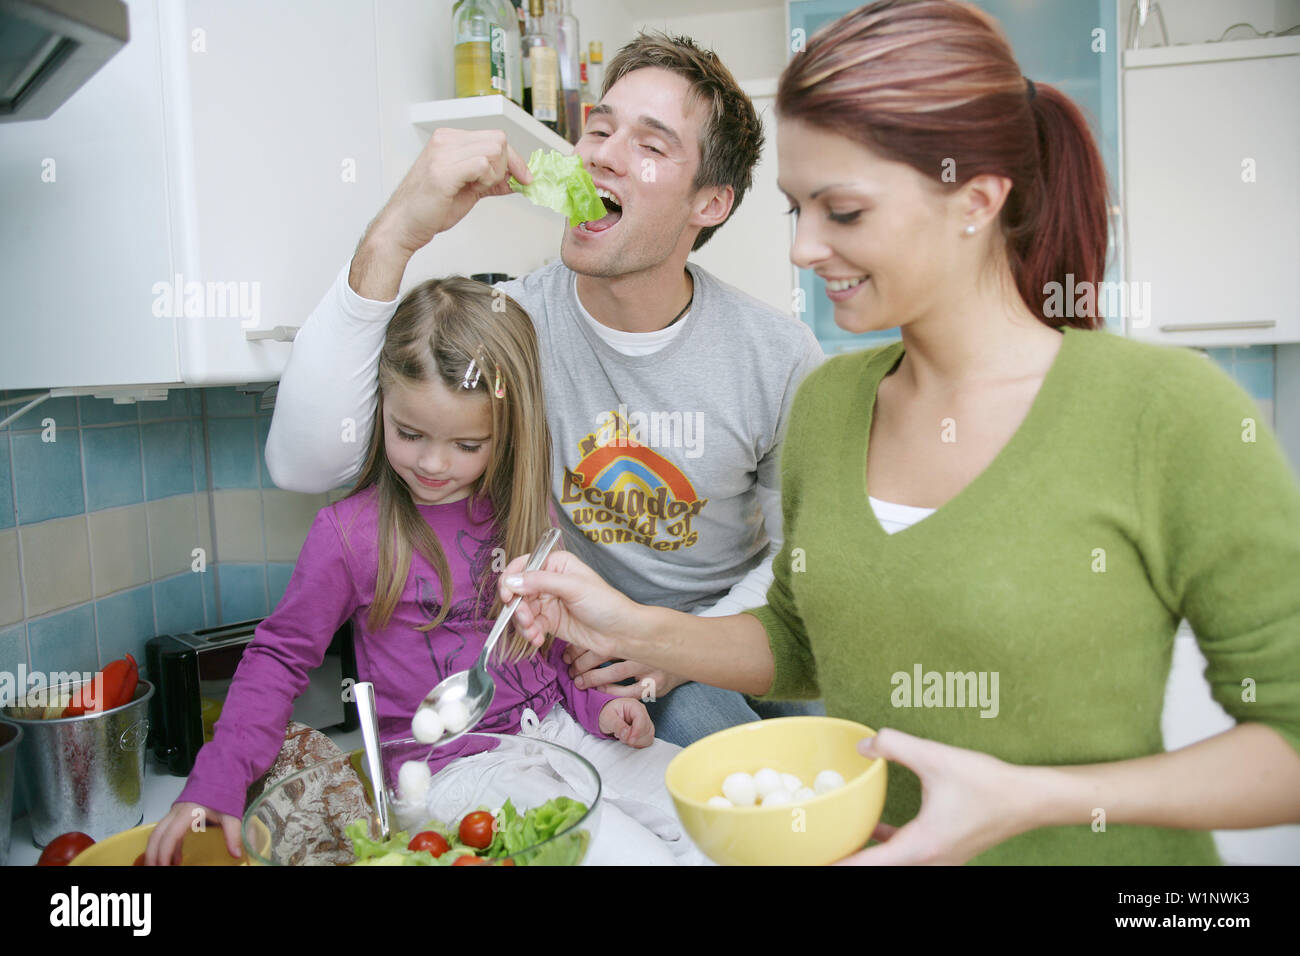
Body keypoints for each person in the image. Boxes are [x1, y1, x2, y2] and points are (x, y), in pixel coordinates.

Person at [496, 0, 1300, 865]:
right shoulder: (832, 405)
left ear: (975, 202)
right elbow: (801, 641)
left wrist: (1034, 801)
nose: (805, 249)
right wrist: (629, 626)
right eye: (797, 209)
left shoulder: (1167, 411)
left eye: (842, 211)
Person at [263, 32, 826, 747]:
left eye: (650, 146)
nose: (602, 153)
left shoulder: (776, 355)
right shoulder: (510, 326)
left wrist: (679, 645)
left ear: (709, 203)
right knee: (722, 779)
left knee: (845, 773)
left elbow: (800, 556)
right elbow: (305, 466)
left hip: (739, 633)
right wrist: (397, 232)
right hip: (595, 671)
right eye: (597, 128)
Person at [145, 278, 704, 866]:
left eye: (467, 444)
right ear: (381, 405)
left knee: (713, 813)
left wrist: (599, 709)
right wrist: (217, 783)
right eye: (409, 434)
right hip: (451, 769)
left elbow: (548, 649)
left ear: (506, 432)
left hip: (562, 731)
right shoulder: (350, 536)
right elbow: (278, 659)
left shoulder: (522, 509)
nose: (434, 463)